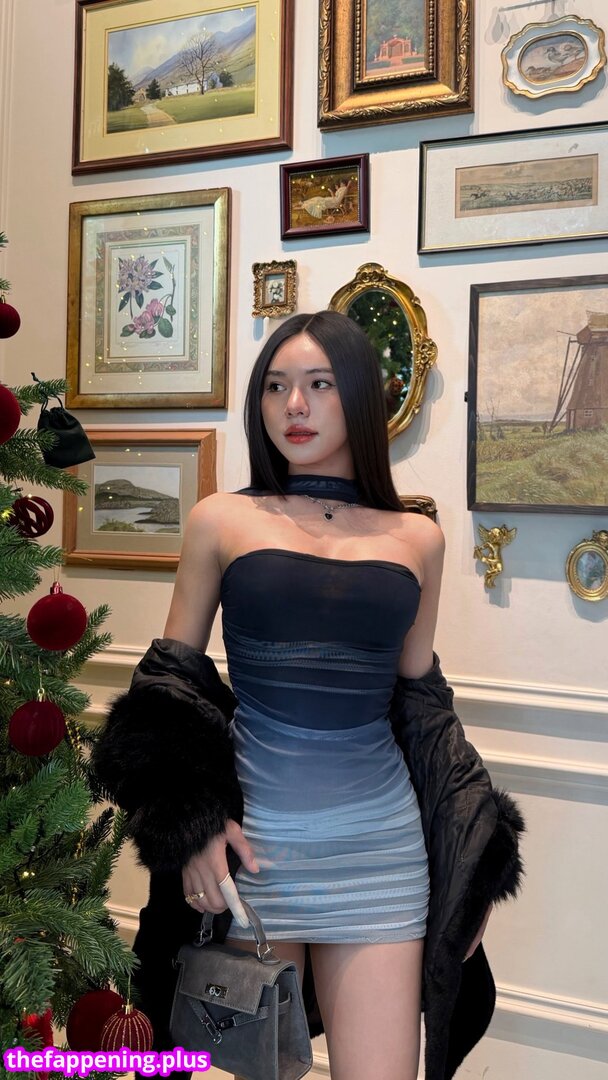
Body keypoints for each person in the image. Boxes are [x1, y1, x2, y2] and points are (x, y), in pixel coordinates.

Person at [92, 311, 524, 1080]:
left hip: (381, 850)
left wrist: (475, 855)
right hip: (252, 852)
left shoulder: (418, 538)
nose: (294, 405)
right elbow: (167, 682)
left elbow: (422, 705)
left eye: (319, 384)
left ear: (356, 395)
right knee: (264, 1071)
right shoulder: (221, 519)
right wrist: (188, 823)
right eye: (276, 386)